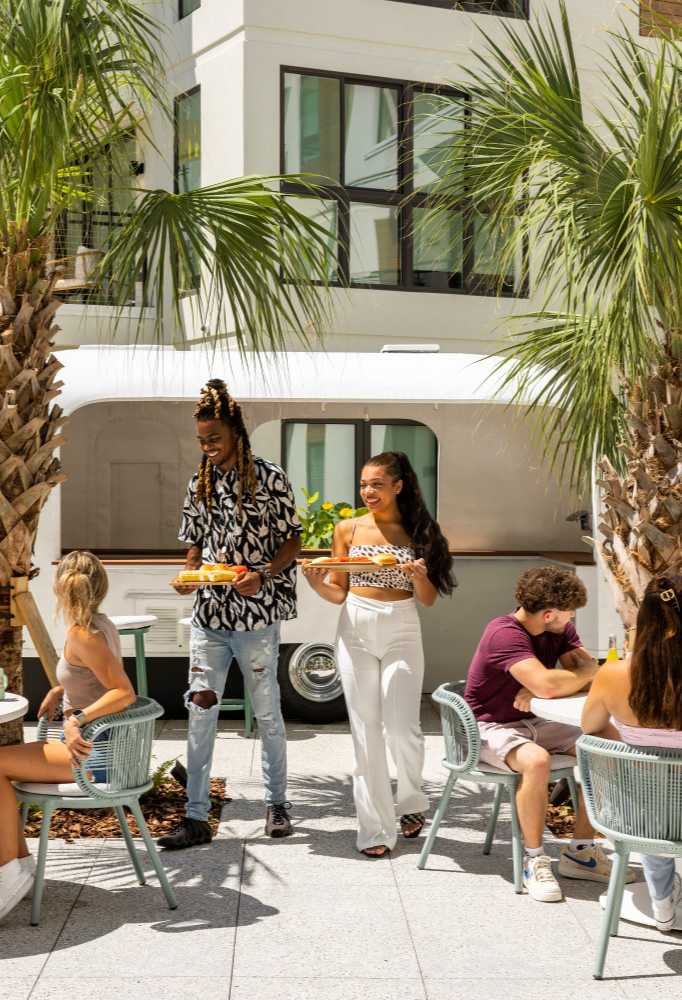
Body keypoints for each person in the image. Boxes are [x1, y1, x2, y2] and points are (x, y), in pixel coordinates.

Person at [159, 379, 301, 850]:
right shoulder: (198, 482)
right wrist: (188, 575)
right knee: (200, 712)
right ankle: (196, 816)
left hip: (256, 617)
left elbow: (292, 541)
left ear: (236, 433)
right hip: (209, 618)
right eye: (201, 440)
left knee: (268, 712)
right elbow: (193, 546)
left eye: (214, 439)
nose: (208, 447)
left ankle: (276, 804)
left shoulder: (270, 476)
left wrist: (261, 573)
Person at [303, 451, 455, 857]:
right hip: (355, 625)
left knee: (402, 725)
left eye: (376, 484)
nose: (368, 491)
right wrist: (317, 584)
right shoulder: (347, 530)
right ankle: (374, 829)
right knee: (365, 730)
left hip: (402, 624)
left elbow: (427, 600)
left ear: (398, 486)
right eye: (363, 484)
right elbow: (338, 592)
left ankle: (411, 800)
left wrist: (420, 577)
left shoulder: (419, 532)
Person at [463, 566, 630, 902]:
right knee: (536, 762)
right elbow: (563, 680)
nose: (572, 619)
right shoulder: (504, 633)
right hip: (490, 725)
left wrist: (546, 689)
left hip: (537, 721)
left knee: (608, 743)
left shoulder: (559, 629)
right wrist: (548, 686)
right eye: (569, 613)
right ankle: (534, 858)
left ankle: (581, 851)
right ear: (549, 613)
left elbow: (586, 676)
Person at [0, 551, 135, 922]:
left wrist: (78, 719)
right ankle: (19, 867)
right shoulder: (100, 625)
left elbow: (124, 692)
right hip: (101, 750)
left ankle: (10, 869)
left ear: (62, 590)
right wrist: (62, 690)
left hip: (95, 758)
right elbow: (95, 677)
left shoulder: (82, 634)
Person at [582, 574, 682, 932]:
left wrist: (637, 745)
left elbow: (591, 729)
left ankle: (662, 907)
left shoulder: (613, 675)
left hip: (638, 817)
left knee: (658, 809)